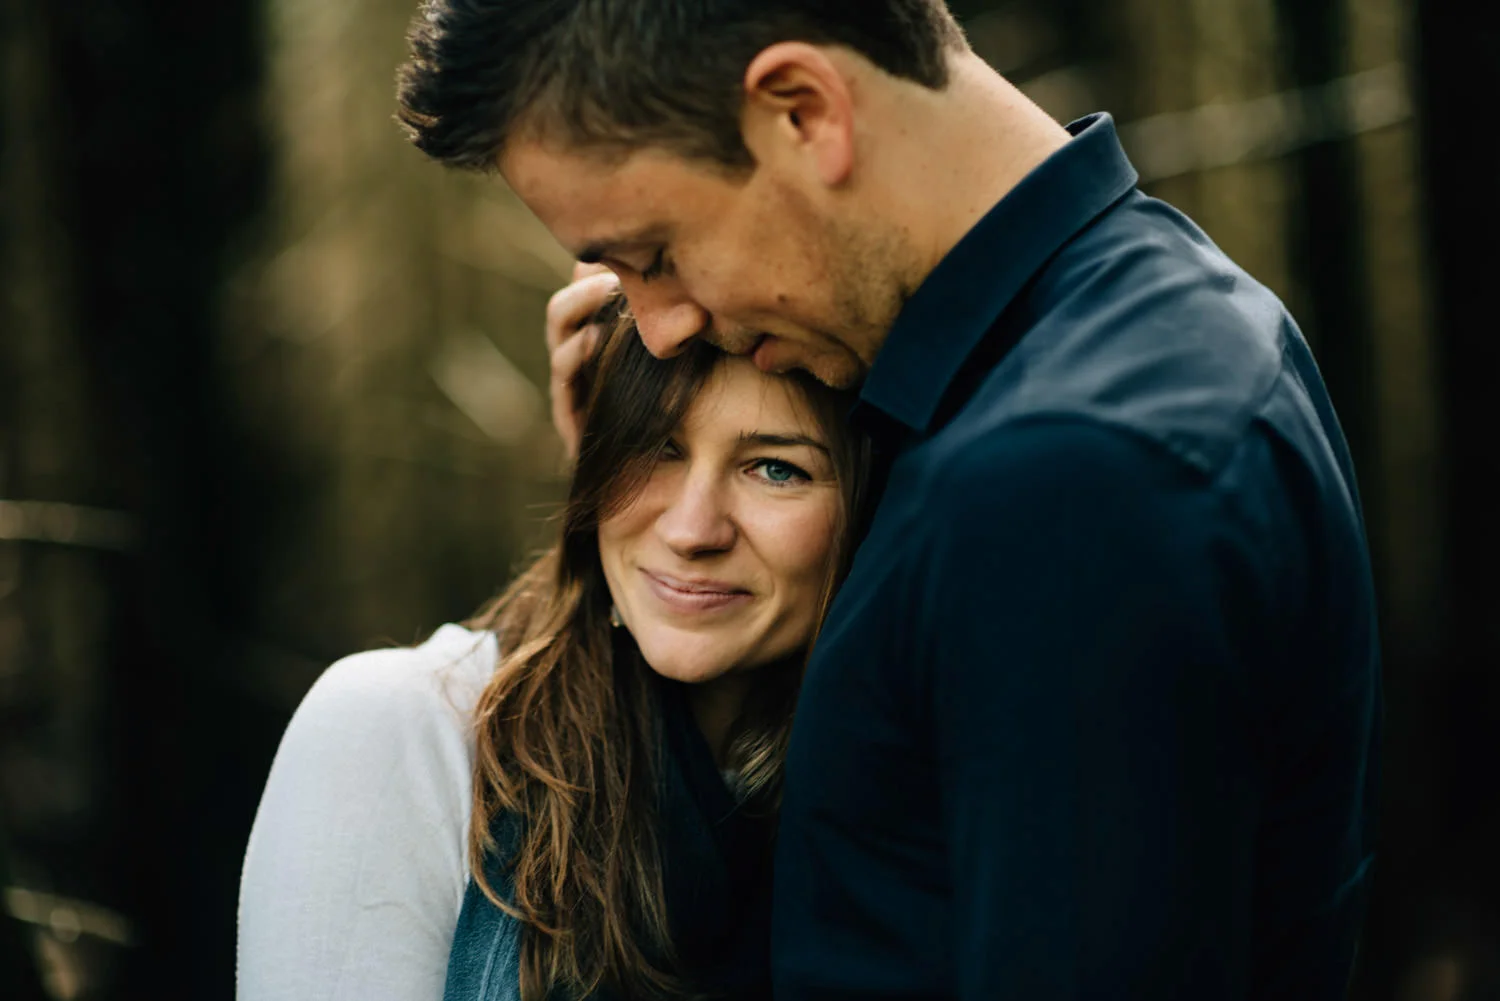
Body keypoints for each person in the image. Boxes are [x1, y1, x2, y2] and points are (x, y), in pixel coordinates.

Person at [395, 1, 1383, 999]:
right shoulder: (1162, 330)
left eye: (654, 254)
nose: (653, 329)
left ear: (803, 113)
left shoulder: (1064, 478)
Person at [236, 302, 870, 1001]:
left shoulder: (894, 801)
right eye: (655, 445)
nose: (692, 529)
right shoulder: (407, 733)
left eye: (777, 468)